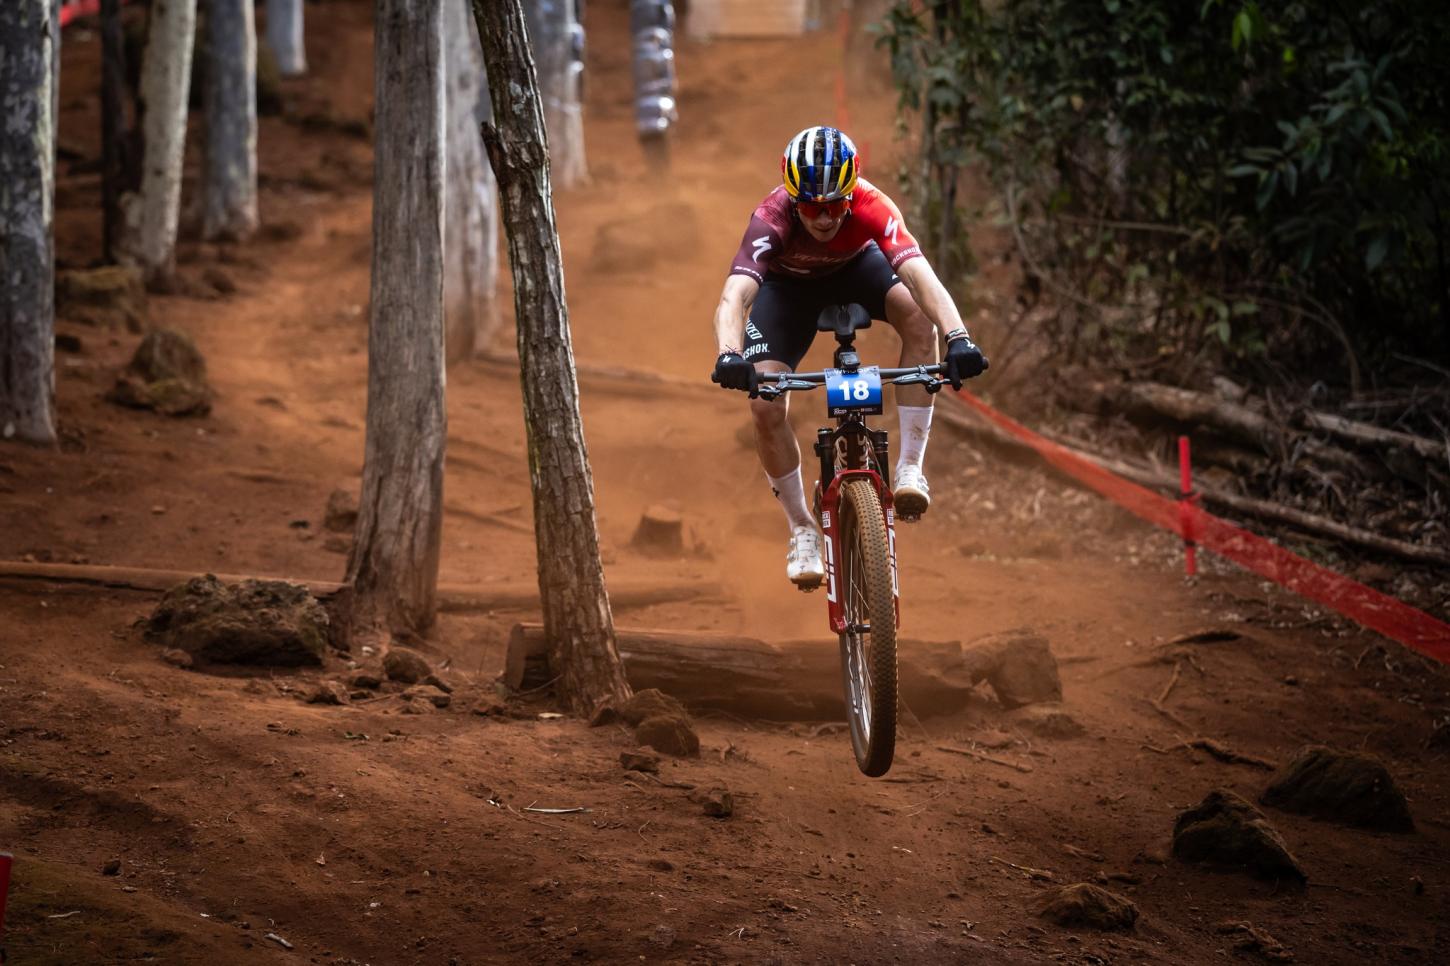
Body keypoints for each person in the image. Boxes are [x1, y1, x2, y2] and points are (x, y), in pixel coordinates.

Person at [710, 125, 986, 589]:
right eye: (813, 208)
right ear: (794, 199)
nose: (823, 219)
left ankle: (910, 468)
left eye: (836, 205)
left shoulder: (873, 204)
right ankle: (801, 528)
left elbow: (920, 275)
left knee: (919, 321)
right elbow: (735, 296)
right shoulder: (771, 217)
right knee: (763, 404)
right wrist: (729, 353)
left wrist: (958, 336)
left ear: (851, 194)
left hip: (859, 270)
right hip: (788, 289)